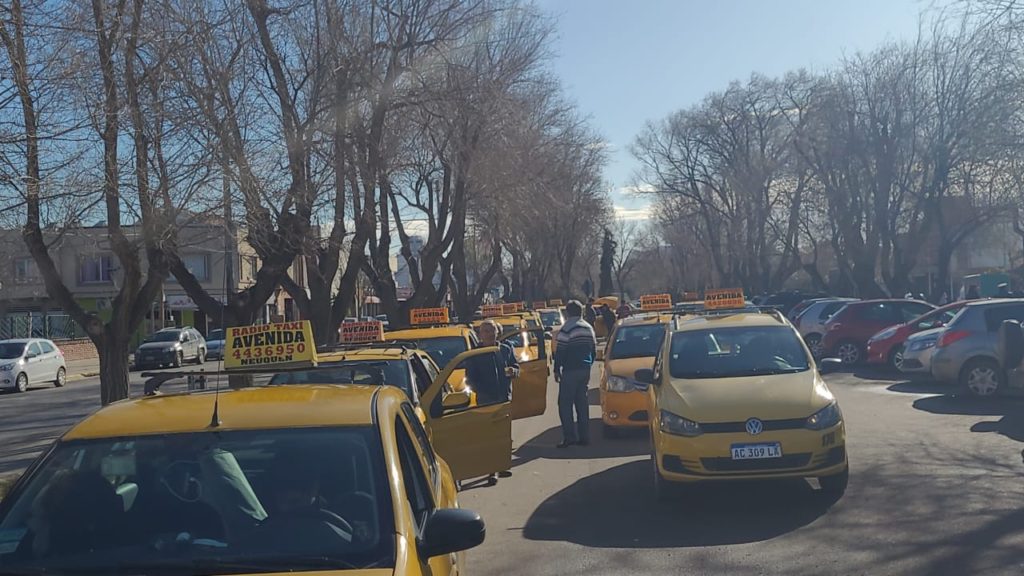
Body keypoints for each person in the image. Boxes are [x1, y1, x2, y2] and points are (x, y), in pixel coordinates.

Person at [553, 300, 596, 448]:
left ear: (568, 312)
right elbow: (593, 349)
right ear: (581, 311)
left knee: (565, 404)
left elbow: (561, 351)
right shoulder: (588, 327)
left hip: (570, 370)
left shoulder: (567, 328)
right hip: (585, 369)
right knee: (582, 404)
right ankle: (585, 437)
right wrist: (589, 364)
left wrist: (556, 369)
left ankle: (569, 437)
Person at [470, 319, 518, 406]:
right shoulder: (475, 354)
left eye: (493, 330)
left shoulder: (505, 350)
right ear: (480, 335)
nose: (490, 334)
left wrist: (514, 371)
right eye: (486, 331)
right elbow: (470, 380)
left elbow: (515, 367)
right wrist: (484, 391)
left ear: (497, 333)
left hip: (504, 399)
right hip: (485, 402)